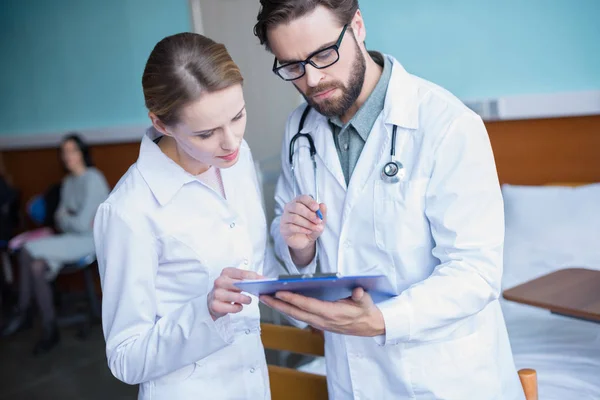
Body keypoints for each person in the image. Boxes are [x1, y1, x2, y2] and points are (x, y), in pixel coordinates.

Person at [254, 1, 524, 399]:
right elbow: (288, 235)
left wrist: (383, 319)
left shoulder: (446, 125)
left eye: (324, 54)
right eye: (292, 66)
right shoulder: (300, 129)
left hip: (445, 379)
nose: (312, 79)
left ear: (357, 26)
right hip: (352, 377)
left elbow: (476, 272)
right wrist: (299, 246)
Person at [93, 33, 271, 400]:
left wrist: (295, 244)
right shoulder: (128, 211)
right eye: (206, 133)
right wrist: (204, 312)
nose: (231, 142)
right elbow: (125, 358)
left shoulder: (236, 161)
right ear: (161, 124)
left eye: (238, 116)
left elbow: (257, 266)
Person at [1, 133, 110, 355]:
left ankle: (23, 312)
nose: (67, 156)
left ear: (82, 153)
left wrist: (68, 217)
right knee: (36, 266)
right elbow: (63, 221)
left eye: (72, 151)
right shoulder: (68, 182)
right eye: (64, 152)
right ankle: (50, 328)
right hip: (70, 239)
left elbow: (80, 225)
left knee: (26, 250)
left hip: (90, 241)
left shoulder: (93, 178)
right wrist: (69, 217)